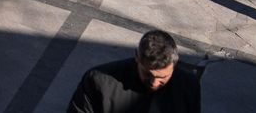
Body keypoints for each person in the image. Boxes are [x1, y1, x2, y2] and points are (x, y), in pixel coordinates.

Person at [68, 29, 202, 113]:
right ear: (137, 57)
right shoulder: (98, 82)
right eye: (147, 74)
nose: (154, 83)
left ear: (175, 64)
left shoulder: (188, 86)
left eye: (163, 77)